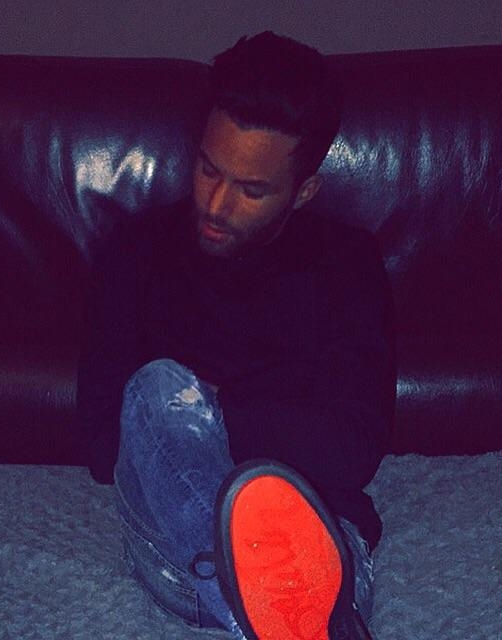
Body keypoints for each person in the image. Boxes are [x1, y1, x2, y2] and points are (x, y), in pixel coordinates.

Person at [78, 31, 395, 640]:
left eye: (252, 190)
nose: (217, 204)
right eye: (208, 169)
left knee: (169, 400)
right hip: (178, 538)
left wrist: (209, 414)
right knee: (155, 389)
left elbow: (355, 448)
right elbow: (100, 441)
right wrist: (207, 418)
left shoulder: (347, 264)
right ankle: (296, 615)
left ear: (303, 191)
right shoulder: (134, 252)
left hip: (320, 529)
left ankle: (276, 608)